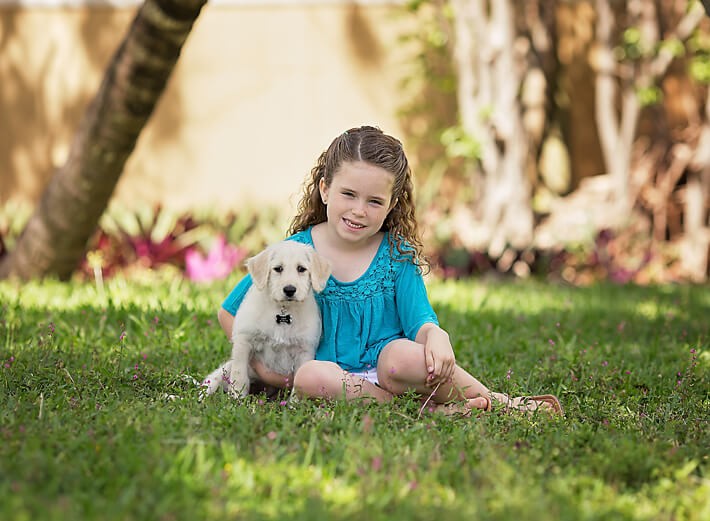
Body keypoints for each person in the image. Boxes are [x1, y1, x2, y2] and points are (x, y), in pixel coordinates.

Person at [218, 125, 563, 416]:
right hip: (331, 378)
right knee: (310, 376)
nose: (358, 211)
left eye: (374, 201)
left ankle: (505, 404)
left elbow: (420, 322)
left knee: (402, 357)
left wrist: (436, 336)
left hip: (389, 370)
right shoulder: (296, 254)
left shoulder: (396, 254)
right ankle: (418, 413)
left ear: (392, 204)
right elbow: (230, 311)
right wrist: (264, 369)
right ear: (325, 189)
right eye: (348, 194)